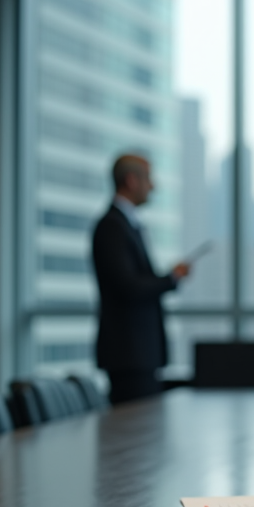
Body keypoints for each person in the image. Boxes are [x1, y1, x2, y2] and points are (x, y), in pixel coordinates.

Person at [92, 154, 190, 405]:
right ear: (132, 180)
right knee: (131, 433)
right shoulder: (112, 226)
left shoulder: (126, 224)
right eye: (149, 179)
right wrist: (170, 279)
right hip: (128, 353)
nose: (153, 186)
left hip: (137, 353)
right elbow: (127, 286)